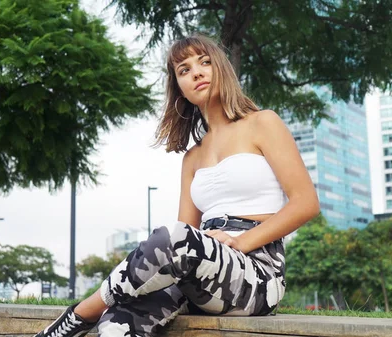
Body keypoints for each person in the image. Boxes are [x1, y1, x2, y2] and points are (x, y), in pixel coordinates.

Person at [34, 34, 319, 337]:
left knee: (174, 236)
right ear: (179, 88)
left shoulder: (263, 123)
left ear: (221, 68)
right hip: (198, 272)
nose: (196, 72)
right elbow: (180, 240)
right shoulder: (192, 158)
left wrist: (240, 242)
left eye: (205, 62)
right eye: (184, 69)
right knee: (119, 320)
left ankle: (80, 315)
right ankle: (98, 314)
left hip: (257, 275)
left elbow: (305, 203)